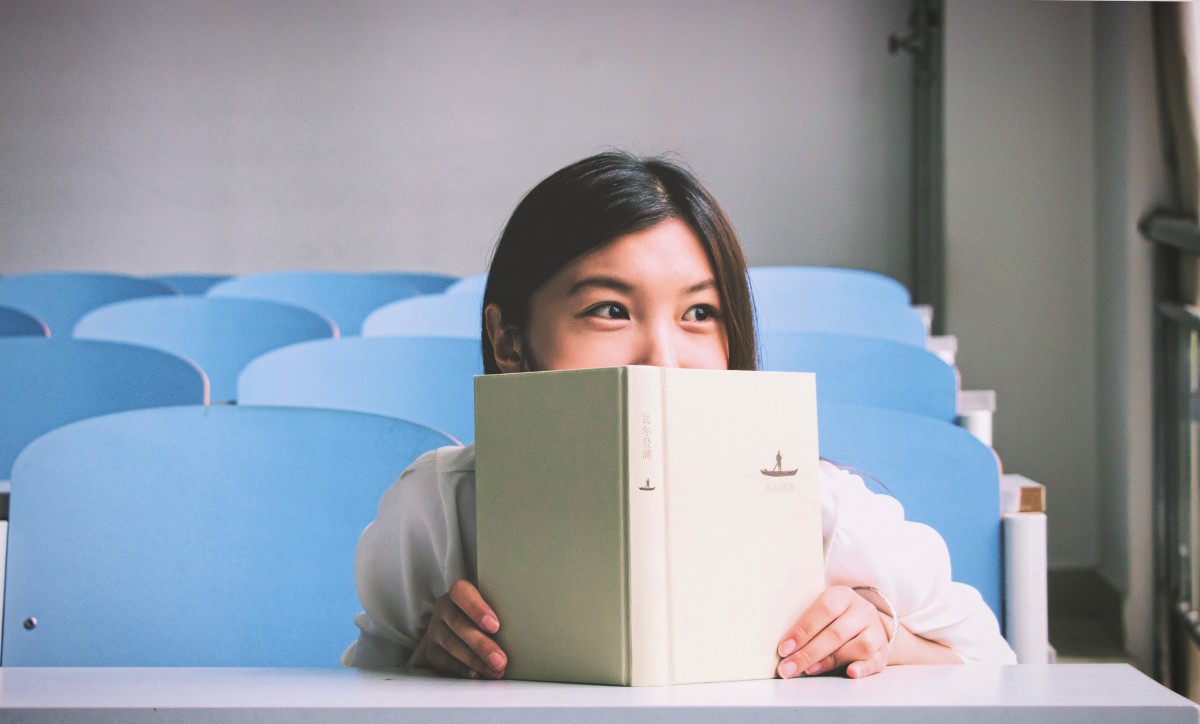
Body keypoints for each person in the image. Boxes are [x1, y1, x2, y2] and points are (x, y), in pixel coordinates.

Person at [343, 151, 1017, 680]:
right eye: (609, 309)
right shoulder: (440, 511)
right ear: (510, 340)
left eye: (700, 313)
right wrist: (422, 663)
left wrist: (887, 640)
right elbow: (363, 691)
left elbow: (993, 663)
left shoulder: (816, 509)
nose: (663, 358)